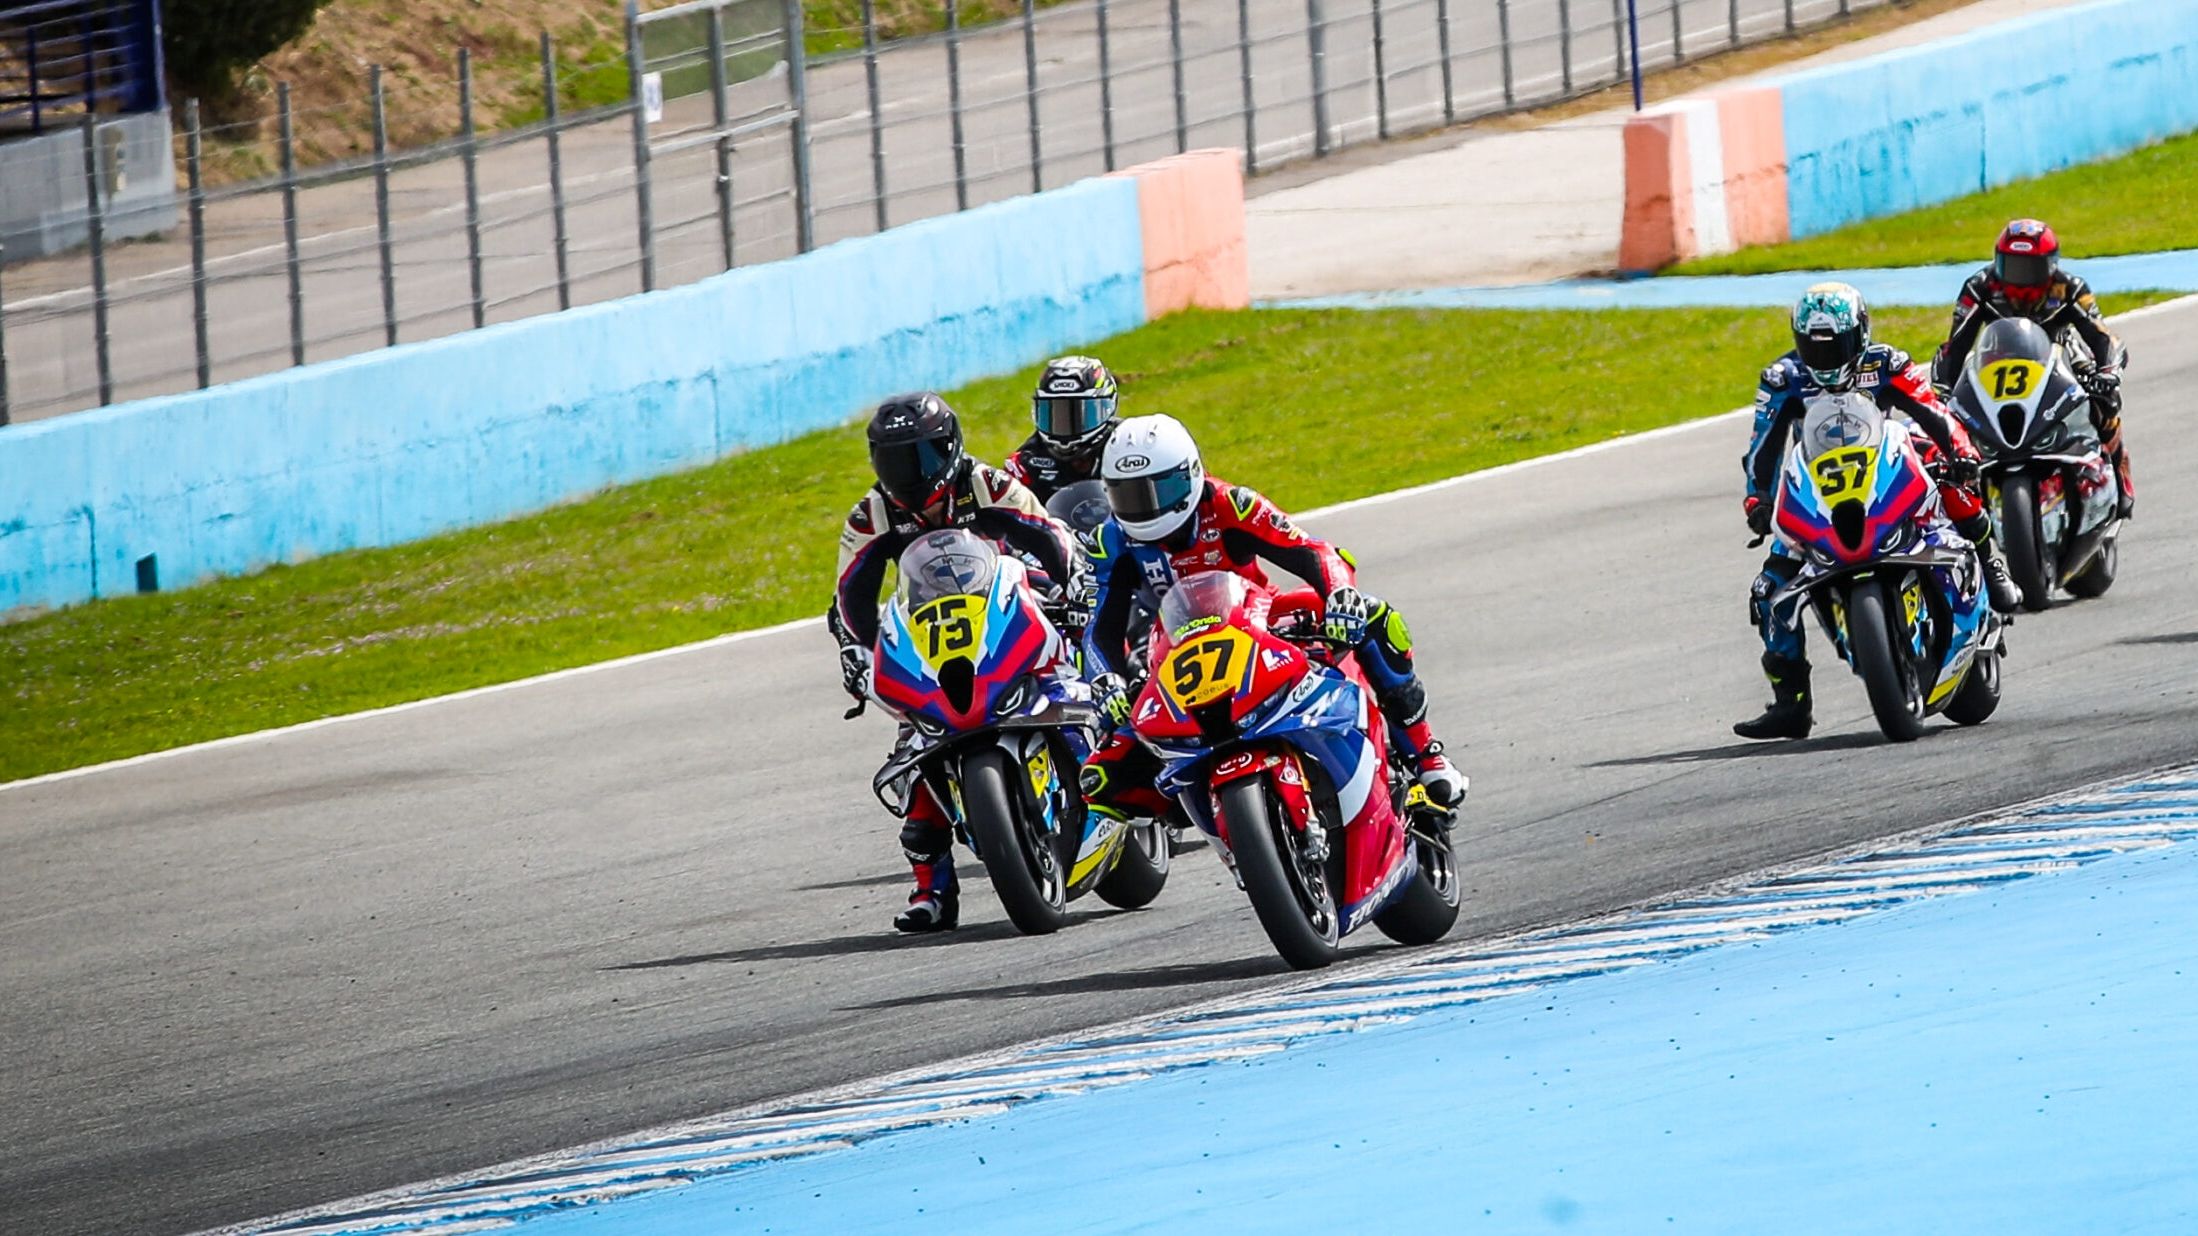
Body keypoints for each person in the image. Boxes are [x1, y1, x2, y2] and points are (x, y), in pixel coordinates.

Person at [1077, 413, 1466, 831]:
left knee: (1374, 617)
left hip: (1261, 623)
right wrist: (1105, 679)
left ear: (1189, 474)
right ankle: (1183, 811)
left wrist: (1340, 594)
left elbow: (1312, 551)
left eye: (1158, 490)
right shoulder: (1109, 540)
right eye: (1129, 495)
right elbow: (1099, 628)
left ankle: (1425, 755)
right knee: (1102, 776)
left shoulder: (1230, 504)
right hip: (1175, 652)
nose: (1146, 506)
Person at [828, 392, 1086, 932]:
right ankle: (933, 890)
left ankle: (1111, 773)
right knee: (915, 749)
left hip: (1006, 606)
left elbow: (1049, 535)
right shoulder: (870, 514)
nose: (909, 472)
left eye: (921, 456)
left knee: (1073, 674)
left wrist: (1072, 587)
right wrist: (862, 652)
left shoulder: (985, 483)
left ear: (948, 447)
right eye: (894, 460)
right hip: (935, 636)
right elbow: (851, 599)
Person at [1735, 283, 2020, 741]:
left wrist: (1961, 452)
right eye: (1814, 346)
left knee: (1949, 476)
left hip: (1887, 467)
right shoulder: (1783, 378)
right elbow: (1762, 446)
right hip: (1823, 494)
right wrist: (1758, 499)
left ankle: (1990, 563)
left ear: (1860, 333)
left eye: (1836, 345)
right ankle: (1792, 703)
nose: (1825, 358)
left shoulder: (1886, 362)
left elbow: (1933, 411)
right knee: (1768, 591)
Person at [1930, 219, 2133, 517]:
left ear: (2050, 266)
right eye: (2012, 267)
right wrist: (1943, 392)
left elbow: (2103, 337)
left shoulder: (2069, 287)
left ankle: (2118, 469)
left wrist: (2107, 372)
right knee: (1950, 421)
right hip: (1998, 365)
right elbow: (1955, 346)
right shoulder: (1980, 287)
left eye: (2029, 269)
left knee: (2104, 400)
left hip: (2059, 360)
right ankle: (1963, 495)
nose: (2020, 279)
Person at [1003, 355, 1120, 505]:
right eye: (1056, 415)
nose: (1066, 426)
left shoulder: (1127, 444)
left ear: (1108, 408)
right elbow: (1006, 514)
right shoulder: (1024, 464)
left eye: (1079, 416)